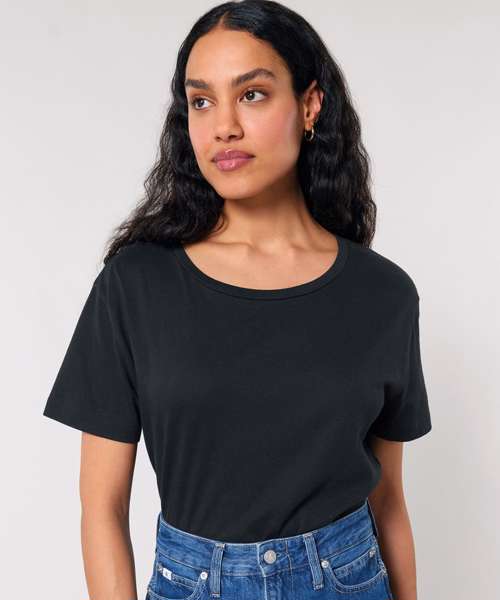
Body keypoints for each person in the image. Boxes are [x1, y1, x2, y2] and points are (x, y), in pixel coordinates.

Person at [43, 1, 432, 599]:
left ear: (310, 105)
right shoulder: (137, 284)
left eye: (251, 94)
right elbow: (101, 508)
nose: (223, 126)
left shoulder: (383, 294)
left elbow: (388, 502)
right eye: (201, 101)